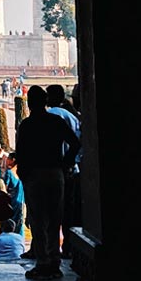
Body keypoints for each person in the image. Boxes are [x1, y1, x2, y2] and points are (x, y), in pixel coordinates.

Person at [15, 86, 78, 279]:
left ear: (30, 103)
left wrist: (24, 176)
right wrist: (65, 164)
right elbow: (76, 143)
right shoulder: (55, 121)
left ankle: (43, 262)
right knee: (54, 218)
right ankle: (54, 262)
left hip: (35, 175)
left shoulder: (27, 125)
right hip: (55, 173)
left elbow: (21, 154)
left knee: (38, 219)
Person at [47, 84, 83, 255]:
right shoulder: (72, 117)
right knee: (69, 212)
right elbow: (79, 144)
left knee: (50, 213)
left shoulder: (49, 117)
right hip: (70, 171)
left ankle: (49, 251)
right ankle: (68, 247)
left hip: (51, 171)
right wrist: (69, 162)